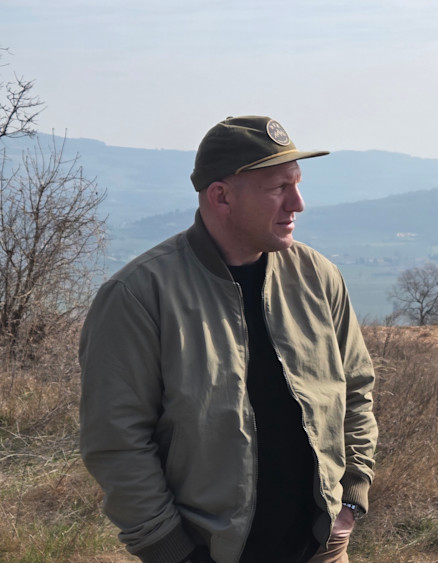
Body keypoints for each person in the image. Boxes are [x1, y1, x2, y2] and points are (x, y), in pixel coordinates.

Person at [79, 116, 378, 563]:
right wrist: (172, 550)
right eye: (278, 187)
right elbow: (117, 440)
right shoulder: (140, 296)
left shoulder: (317, 277)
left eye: (297, 184)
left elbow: (355, 391)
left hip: (321, 547)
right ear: (221, 196)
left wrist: (349, 500)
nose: (297, 203)